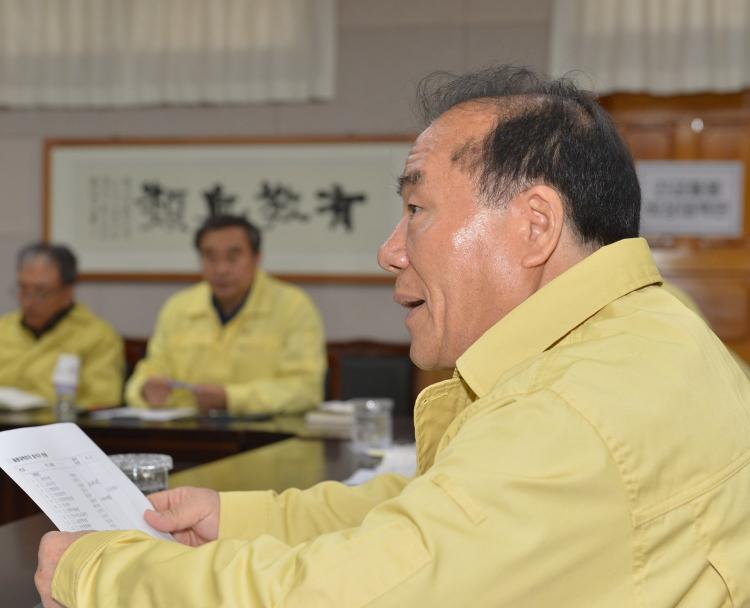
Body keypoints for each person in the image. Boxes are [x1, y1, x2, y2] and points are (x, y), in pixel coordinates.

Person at [37, 66, 750, 607]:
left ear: (534, 226)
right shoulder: (643, 329)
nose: (390, 251)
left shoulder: (570, 412)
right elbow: (433, 512)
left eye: (416, 209)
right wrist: (238, 518)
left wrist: (99, 572)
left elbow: (349, 593)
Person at [124, 214, 326, 414]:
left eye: (233, 257)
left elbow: (306, 389)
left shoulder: (293, 306)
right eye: (210, 258)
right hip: (189, 428)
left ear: (257, 258)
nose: (221, 269)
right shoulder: (178, 308)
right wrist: (145, 391)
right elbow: (147, 373)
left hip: (267, 430)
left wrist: (231, 398)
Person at [0, 242, 123, 408]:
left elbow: (103, 399)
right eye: (23, 289)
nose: (28, 301)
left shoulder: (99, 336)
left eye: (40, 292)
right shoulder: (3, 328)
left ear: (67, 292)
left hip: (62, 422)